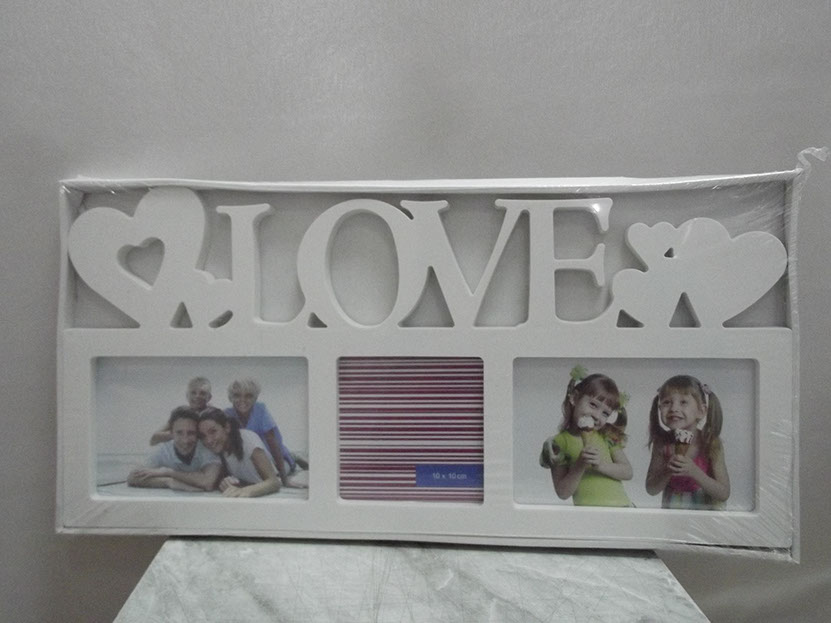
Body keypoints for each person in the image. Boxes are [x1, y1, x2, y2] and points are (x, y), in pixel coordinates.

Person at [539, 366, 633, 506]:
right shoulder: (559, 443)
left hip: (621, 507)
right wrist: (580, 465)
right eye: (593, 405)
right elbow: (563, 493)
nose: (597, 416)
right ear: (574, 398)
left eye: (605, 413)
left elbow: (627, 472)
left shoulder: (606, 436)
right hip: (588, 514)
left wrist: (600, 465)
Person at [645, 375, 730, 509]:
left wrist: (694, 472)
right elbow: (651, 489)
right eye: (667, 402)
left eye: (683, 402)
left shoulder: (710, 443)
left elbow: (724, 493)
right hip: (673, 510)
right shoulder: (661, 443)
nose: (674, 408)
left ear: (701, 411)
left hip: (704, 512)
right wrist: (667, 470)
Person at [224, 378, 307, 489]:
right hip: (250, 458)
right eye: (237, 395)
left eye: (248, 396)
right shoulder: (227, 415)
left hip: (271, 454)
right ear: (231, 397)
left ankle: (292, 458)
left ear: (255, 398)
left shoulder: (260, 410)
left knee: (280, 471)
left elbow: (273, 442)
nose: (242, 400)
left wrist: (285, 479)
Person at [128, 406, 221, 491]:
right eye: (179, 433)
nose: (185, 440)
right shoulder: (164, 450)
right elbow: (132, 477)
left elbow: (208, 483)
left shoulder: (206, 448)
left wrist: (169, 472)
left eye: (191, 433)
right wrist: (168, 482)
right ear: (171, 433)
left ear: (197, 434)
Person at [197, 407, 282, 498]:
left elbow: (274, 482)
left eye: (213, 431)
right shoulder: (219, 449)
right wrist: (228, 482)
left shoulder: (248, 440)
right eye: (203, 436)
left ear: (227, 427)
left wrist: (244, 491)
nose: (209, 440)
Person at [150, 377, 213, 445]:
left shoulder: (214, 415)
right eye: (193, 393)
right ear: (187, 396)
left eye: (202, 393)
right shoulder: (181, 414)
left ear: (209, 397)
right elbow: (154, 439)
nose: (197, 396)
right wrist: (180, 433)